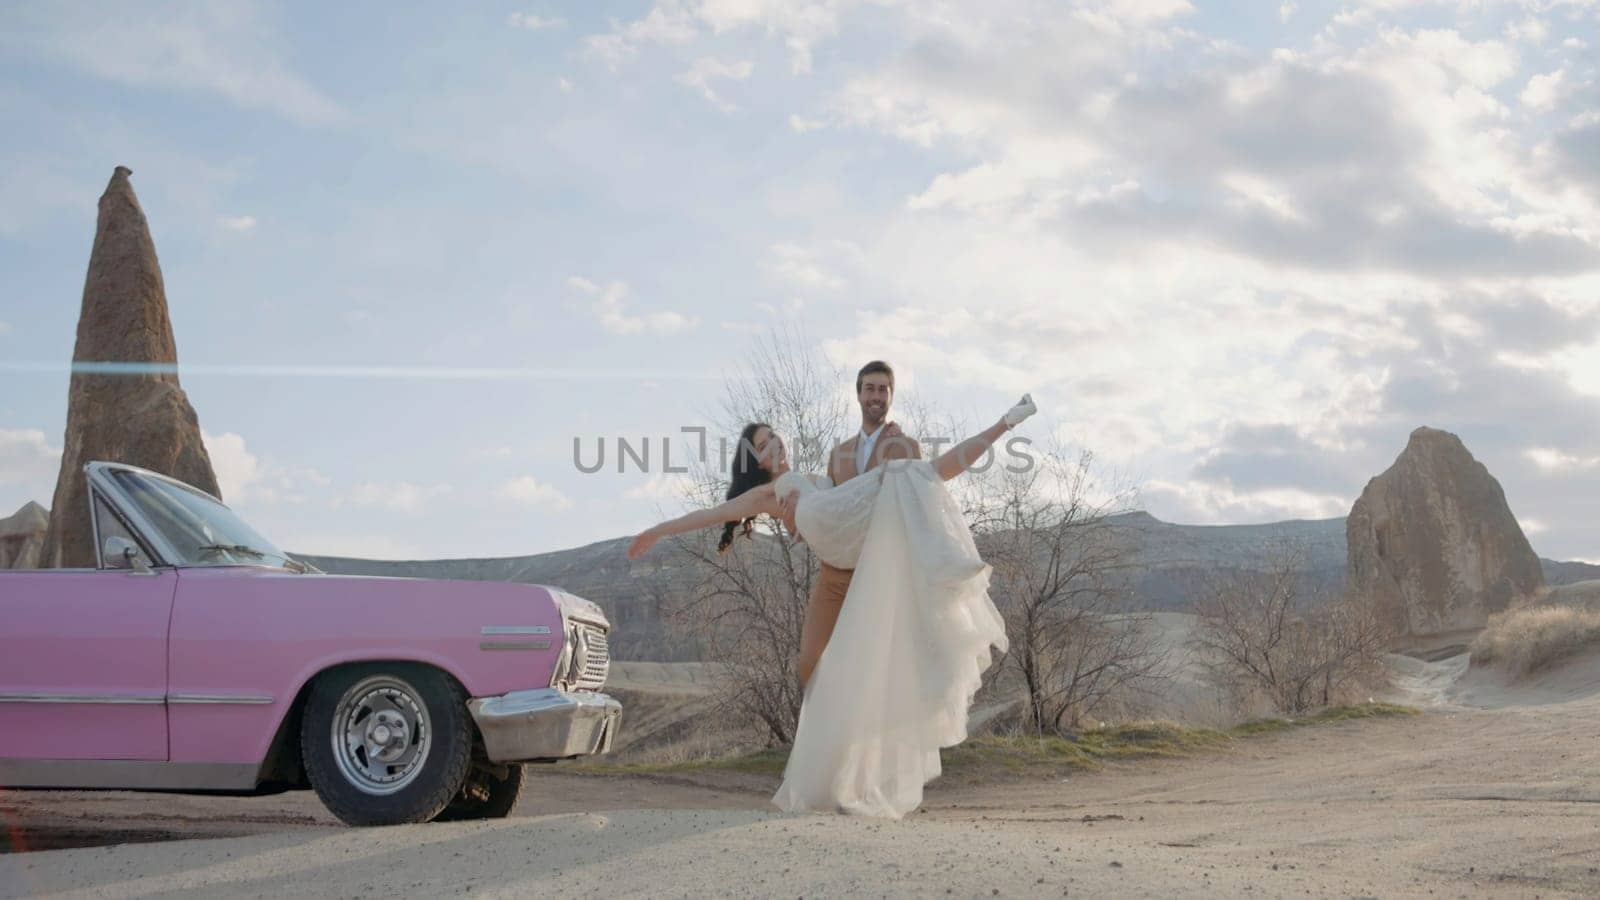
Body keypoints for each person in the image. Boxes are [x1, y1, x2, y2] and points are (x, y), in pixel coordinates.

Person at [627, 387, 1037, 818]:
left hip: (855, 528)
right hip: (838, 554)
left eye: (774, 436)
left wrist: (879, 448)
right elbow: (715, 513)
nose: (775, 444)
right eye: (764, 445)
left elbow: (852, 471)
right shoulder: (770, 495)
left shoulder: (812, 482)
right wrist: (658, 530)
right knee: (814, 668)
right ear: (759, 462)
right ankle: (836, 767)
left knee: (920, 474)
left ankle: (1004, 425)